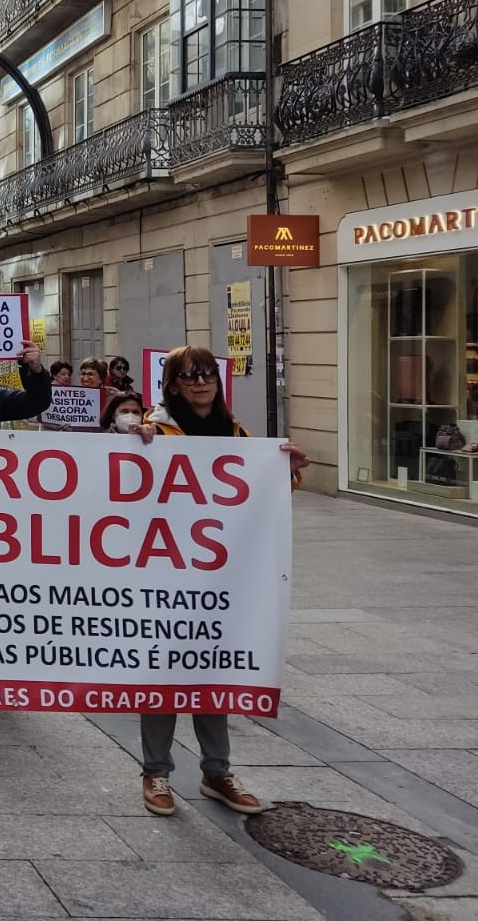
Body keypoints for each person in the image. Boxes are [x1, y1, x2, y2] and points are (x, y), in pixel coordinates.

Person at [135, 344, 308, 819]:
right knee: (163, 674)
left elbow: (260, 494)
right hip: (165, 575)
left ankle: (217, 772)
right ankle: (156, 772)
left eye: (207, 373)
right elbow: (121, 468)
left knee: (211, 671)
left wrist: (286, 472)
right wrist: (136, 436)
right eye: (189, 375)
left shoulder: (238, 434)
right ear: (173, 384)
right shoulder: (155, 432)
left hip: (218, 577)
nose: (200, 381)